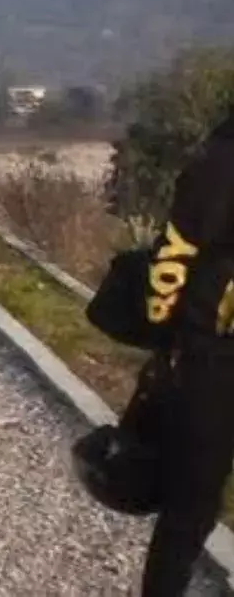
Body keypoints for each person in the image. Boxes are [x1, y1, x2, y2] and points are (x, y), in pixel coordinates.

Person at [135, 108, 234, 596]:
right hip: (211, 359)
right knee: (191, 504)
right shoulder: (221, 163)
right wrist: (165, 338)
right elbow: (174, 254)